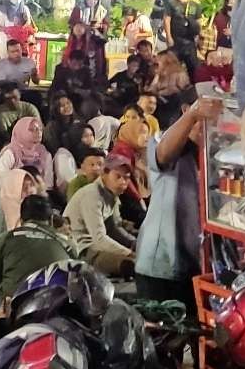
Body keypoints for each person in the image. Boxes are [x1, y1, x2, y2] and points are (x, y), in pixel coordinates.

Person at [137, 96, 216, 303]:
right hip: (161, 267)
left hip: (199, 266)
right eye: (204, 118)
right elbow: (162, 155)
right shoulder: (163, 141)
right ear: (185, 109)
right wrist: (192, 116)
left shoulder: (213, 155)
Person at [0, 179, 71, 299]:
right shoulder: (66, 242)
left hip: (14, 303)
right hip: (54, 302)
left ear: (21, 219)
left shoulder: (7, 238)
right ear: (52, 220)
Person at [62, 161, 136, 275]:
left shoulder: (111, 194)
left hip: (97, 245)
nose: (123, 182)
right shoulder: (92, 195)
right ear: (104, 174)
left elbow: (114, 228)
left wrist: (134, 244)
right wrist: (128, 252)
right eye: (118, 176)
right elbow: (99, 238)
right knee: (128, 264)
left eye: (126, 178)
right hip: (81, 249)